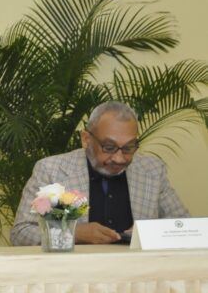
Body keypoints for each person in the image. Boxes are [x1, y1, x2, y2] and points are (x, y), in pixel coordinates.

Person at [11, 101, 188, 245]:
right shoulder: (53, 171)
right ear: (86, 139)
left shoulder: (152, 171)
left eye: (129, 148)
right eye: (109, 147)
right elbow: (21, 233)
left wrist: (150, 232)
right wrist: (75, 234)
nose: (119, 158)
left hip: (139, 273)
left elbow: (185, 227)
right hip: (75, 274)